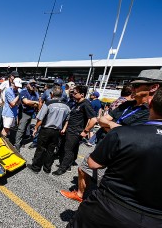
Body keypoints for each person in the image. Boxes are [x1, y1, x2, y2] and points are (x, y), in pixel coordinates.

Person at [60, 69, 161, 203]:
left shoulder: (152, 111)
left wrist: (111, 125)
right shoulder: (127, 104)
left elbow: (133, 135)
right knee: (83, 167)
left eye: (137, 85)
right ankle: (80, 193)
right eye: (132, 85)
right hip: (104, 144)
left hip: (120, 153)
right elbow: (102, 120)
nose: (132, 88)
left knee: (105, 186)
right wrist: (116, 127)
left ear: (154, 87)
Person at [67, 87, 162, 228]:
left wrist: (115, 127)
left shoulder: (124, 133)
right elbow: (102, 119)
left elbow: (93, 163)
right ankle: (81, 193)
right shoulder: (126, 110)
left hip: (108, 207)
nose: (134, 90)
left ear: (150, 104)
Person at [52, 85, 97, 176]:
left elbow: (94, 119)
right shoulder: (77, 103)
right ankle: (69, 164)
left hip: (75, 131)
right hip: (70, 130)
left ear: (82, 94)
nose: (73, 94)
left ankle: (62, 168)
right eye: (72, 92)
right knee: (73, 149)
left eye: (75, 93)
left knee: (68, 149)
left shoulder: (86, 104)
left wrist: (85, 131)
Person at [26, 86, 70, 174]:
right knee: (51, 149)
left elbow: (40, 118)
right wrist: (64, 129)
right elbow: (67, 120)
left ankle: (36, 167)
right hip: (57, 131)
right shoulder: (66, 106)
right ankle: (47, 168)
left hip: (46, 129)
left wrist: (35, 128)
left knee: (40, 148)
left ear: (51, 94)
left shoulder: (49, 103)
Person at [14, 79, 39, 152]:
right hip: (24, 113)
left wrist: (34, 103)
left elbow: (37, 104)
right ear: (27, 84)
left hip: (31, 113)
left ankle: (22, 142)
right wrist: (35, 102)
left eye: (34, 84)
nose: (33, 86)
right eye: (31, 84)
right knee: (21, 129)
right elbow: (26, 102)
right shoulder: (23, 92)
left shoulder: (35, 93)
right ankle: (17, 145)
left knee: (25, 129)